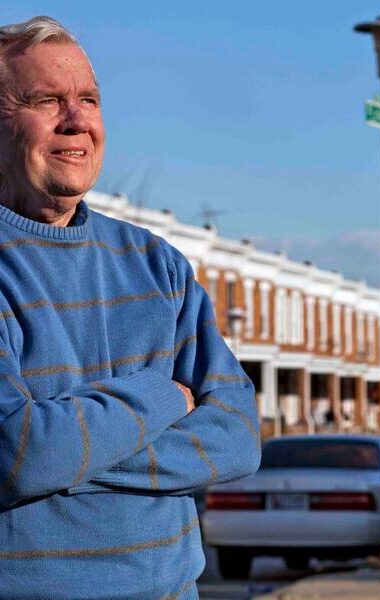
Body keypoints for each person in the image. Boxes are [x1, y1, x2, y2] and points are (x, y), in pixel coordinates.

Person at [0, 16, 260, 600]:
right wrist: (163, 395)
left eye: (88, 99)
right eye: (46, 100)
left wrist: (67, 457)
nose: (77, 121)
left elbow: (238, 436)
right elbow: (19, 453)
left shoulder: (157, 264)